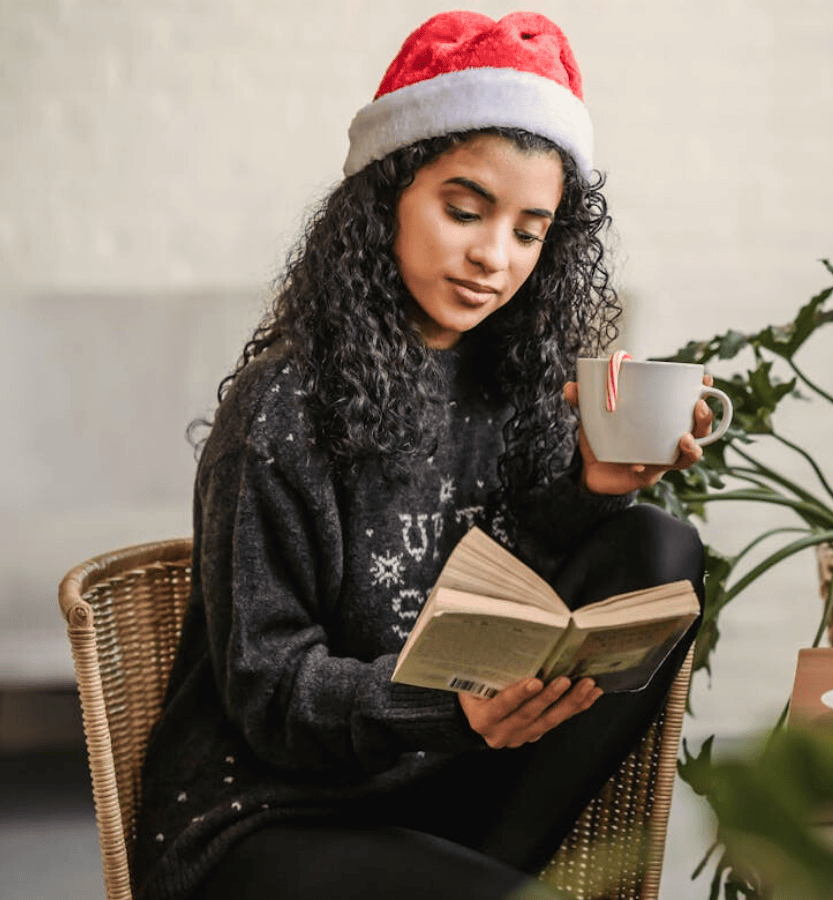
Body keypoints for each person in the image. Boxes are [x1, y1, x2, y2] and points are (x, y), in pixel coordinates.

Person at [131, 11, 710, 900]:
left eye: (529, 230)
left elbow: (513, 587)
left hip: (446, 787)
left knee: (658, 550)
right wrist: (448, 707)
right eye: (465, 210)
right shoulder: (282, 405)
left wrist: (592, 491)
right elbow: (268, 690)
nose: (493, 256)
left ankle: (486, 878)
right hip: (274, 814)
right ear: (386, 198)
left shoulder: (517, 380)